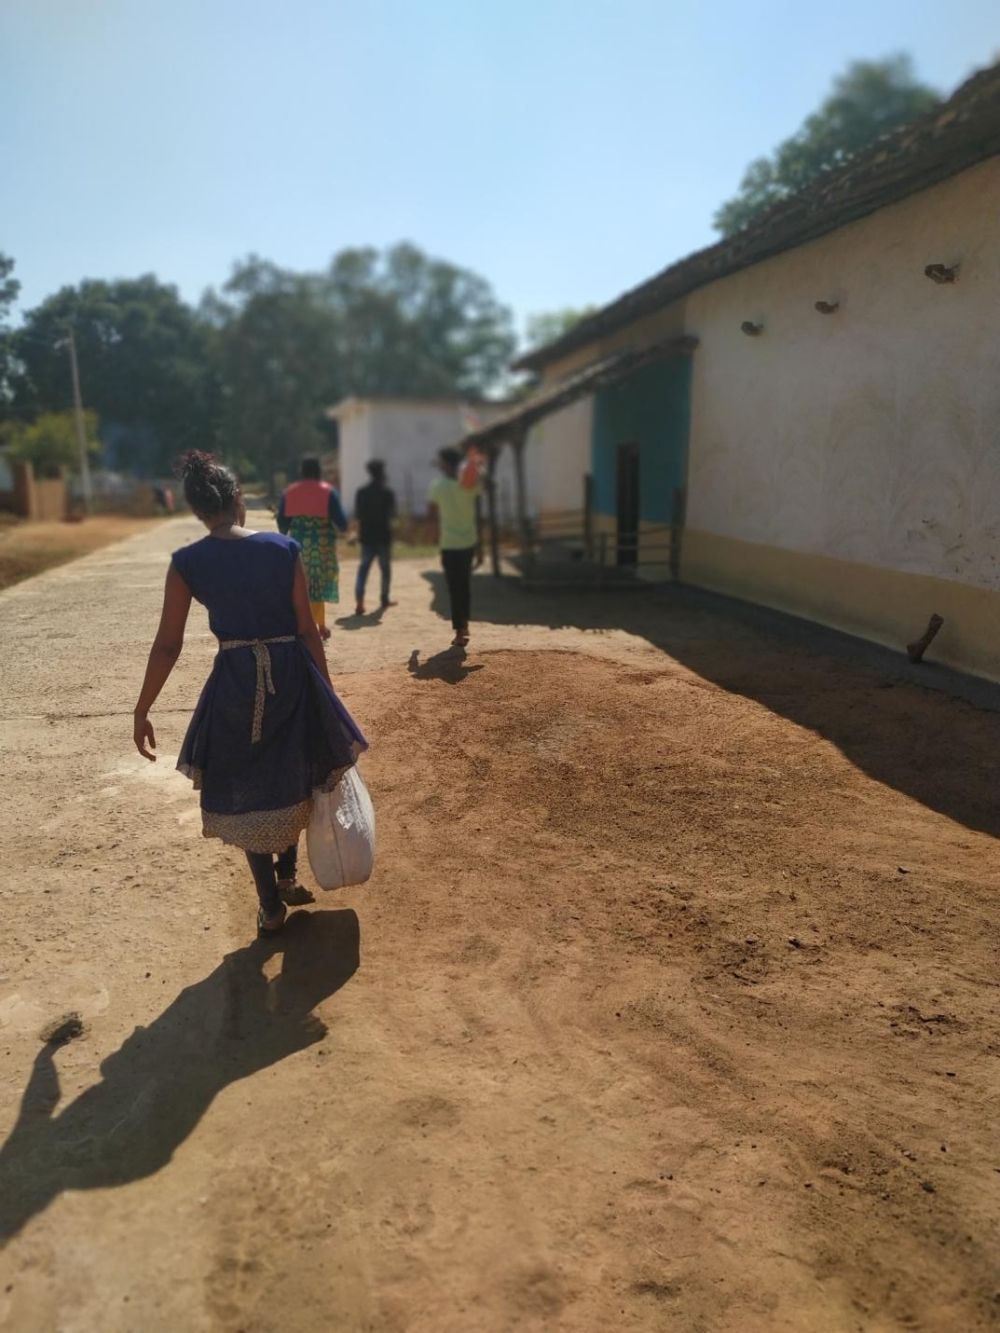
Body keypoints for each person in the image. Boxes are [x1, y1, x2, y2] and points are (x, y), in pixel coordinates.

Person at [133, 451, 367, 938]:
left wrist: (143, 708)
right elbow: (307, 630)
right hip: (291, 673)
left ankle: (270, 904)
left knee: (247, 789)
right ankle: (288, 875)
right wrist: (325, 688)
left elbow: (168, 645)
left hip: (236, 682)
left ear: (197, 511)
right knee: (295, 771)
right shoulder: (284, 550)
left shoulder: (187, 563)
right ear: (238, 499)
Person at [277, 457, 348, 641]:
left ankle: (306, 626)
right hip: (322, 548)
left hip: (298, 547)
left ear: (302, 472)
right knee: (318, 587)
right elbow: (341, 521)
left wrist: (286, 532)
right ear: (319, 471)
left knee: (300, 586)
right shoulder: (328, 492)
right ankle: (318, 626)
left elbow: (282, 523)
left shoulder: (290, 492)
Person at [428, 446, 483, 647]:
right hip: (468, 542)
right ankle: (464, 624)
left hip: (449, 544)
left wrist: (431, 535)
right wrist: (476, 466)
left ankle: (460, 631)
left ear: (445, 464)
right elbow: (482, 487)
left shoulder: (438, 486)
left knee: (454, 587)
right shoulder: (469, 485)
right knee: (464, 584)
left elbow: (431, 513)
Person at [353, 459, 397, 616]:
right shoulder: (387, 493)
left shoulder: (361, 492)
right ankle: (384, 599)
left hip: (367, 536)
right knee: (385, 570)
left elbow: (357, 515)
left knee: (363, 570)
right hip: (383, 536)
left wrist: (356, 533)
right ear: (382, 473)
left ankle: (359, 602)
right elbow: (393, 515)